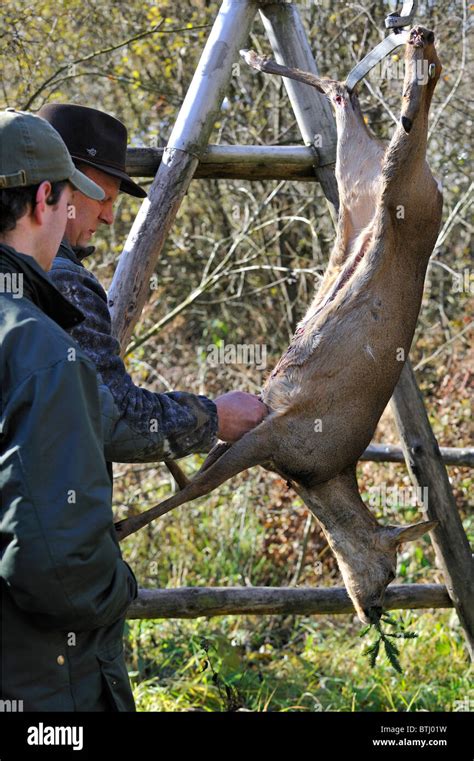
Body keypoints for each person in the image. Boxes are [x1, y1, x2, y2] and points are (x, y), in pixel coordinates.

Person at [39, 103, 268, 467]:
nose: (110, 216)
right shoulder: (62, 280)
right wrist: (215, 418)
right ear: (61, 186)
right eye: (104, 197)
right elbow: (116, 418)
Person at [0, 108, 138, 711]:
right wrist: (118, 588)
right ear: (46, 198)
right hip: (40, 684)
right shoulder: (40, 347)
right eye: (75, 200)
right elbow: (56, 566)